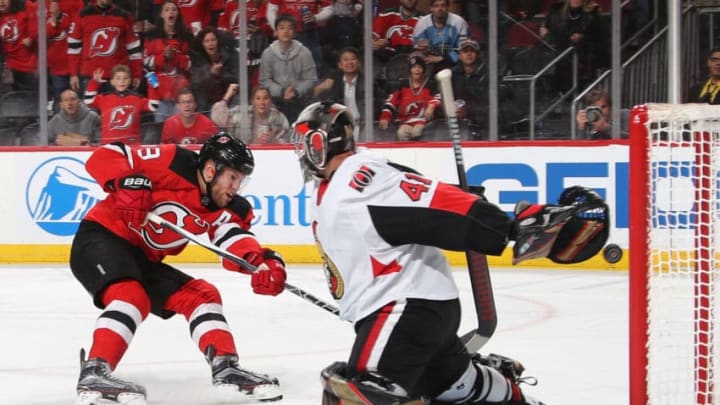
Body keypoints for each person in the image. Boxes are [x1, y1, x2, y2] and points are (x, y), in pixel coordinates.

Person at [291, 101, 608, 405]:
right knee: (456, 385)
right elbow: (418, 192)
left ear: (320, 144)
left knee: (359, 394)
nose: (300, 153)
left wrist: (505, 226)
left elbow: (431, 204)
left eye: (304, 142)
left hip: (401, 309)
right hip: (418, 312)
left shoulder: (356, 181)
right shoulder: (342, 182)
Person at [70, 133, 287, 404]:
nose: (236, 188)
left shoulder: (228, 208)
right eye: (232, 178)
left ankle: (226, 367)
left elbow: (234, 241)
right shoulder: (173, 161)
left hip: (142, 259)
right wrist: (125, 182)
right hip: (101, 237)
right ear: (211, 170)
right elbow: (106, 155)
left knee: (202, 295)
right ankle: (94, 372)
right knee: (130, 296)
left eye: (241, 181)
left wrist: (262, 264)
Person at [68, 0, 143, 95]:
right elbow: (74, 46)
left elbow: (133, 48)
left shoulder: (125, 16)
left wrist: (137, 74)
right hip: (90, 75)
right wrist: (73, 74)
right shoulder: (82, 14)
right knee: (90, 110)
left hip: (117, 77)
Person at [258, 14, 317, 122]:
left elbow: (311, 79)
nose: (286, 31)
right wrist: (282, 91)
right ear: (276, 31)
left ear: (294, 32)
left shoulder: (304, 52)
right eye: (282, 28)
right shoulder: (268, 53)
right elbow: (264, 80)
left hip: (299, 99)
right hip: (276, 101)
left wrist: (296, 91)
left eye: (290, 28)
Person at [143, 0, 194, 121]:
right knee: (163, 131)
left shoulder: (186, 36)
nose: (170, 12)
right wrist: (163, 57)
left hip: (180, 96)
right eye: (167, 10)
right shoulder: (152, 36)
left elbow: (191, 65)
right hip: (159, 95)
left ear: (178, 14)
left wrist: (175, 57)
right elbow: (145, 64)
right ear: (161, 14)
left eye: (174, 9)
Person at [84, 64, 159, 145]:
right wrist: (94, 83)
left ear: (130, 81)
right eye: (118, 78)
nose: (122, 81)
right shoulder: (104, 98)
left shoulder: (137, 98)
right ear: (112, 81)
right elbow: (88, 101)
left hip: (132, 145)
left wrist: (152, 86)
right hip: (108, 144)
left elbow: (153, 106)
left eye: (125, 78)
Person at [378, 52, 439, 141]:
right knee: (401, 133)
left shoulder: (431, 84)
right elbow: (391, 101)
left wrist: (432, 105)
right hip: (405, 122)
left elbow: (438, 96)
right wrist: (385, 116)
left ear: (424, 70)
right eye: (414, 67)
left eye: (419, 67)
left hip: (424, 122)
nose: (417, 70)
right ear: (410, 70)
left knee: (416, 132)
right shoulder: (403, 84)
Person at [211, 84, 291, 144]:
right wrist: (228, 95)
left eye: (265, 98)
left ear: (270, 101)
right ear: (252, 101)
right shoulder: (242, 113)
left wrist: (274, 141)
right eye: (258, 98)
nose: (262, 102)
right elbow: (217, 118)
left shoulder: (279, 118)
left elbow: (289, 142)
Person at [190, 26, 240, 114]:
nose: (211, 44)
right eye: (207, 41)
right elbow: (196, 82)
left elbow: (236, 79)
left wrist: (220, 74)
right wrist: (211, 73)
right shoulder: (197, 58)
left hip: (228, 95)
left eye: (213, 40)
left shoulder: (231, 55)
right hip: (206, 98)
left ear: (218, 41)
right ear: (202, 44)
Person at [412, 0, 468, 74]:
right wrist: (424, 51)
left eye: (443, 5)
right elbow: (417, 49)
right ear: (431, 8)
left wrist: (443, 58)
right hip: (430, 62)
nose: (440, 9)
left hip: (453, 62)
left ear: (448, 7)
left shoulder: (459, 22)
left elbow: (464, 50)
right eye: (436, 6)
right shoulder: (422, 23)